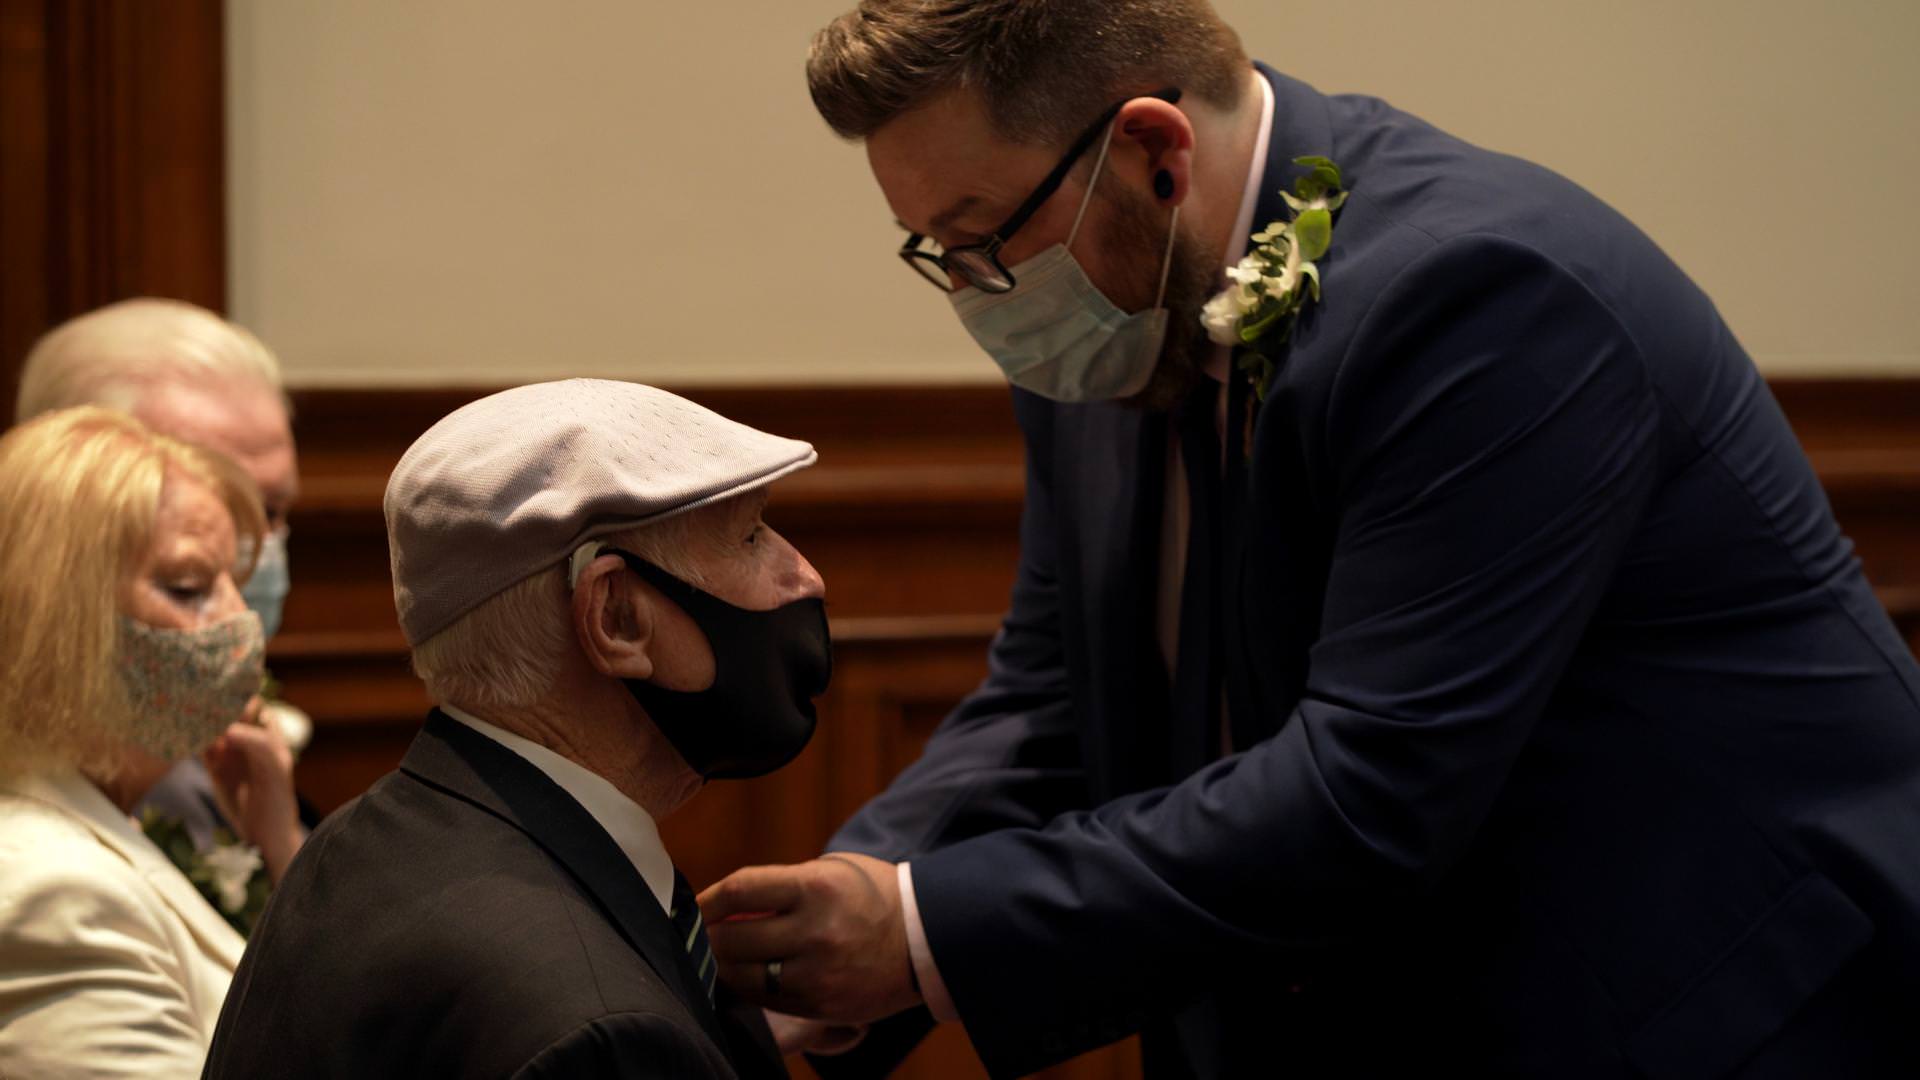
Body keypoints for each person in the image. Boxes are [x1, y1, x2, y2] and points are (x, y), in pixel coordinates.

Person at [697, 2, 1920, 1077]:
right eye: (937, 253)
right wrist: (853, 906)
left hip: (1700, 1005)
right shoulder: (1097, 306)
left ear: (1153, 152)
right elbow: (1054, 695)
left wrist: (919, 935)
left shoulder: (1484, 297)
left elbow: (1370, 790)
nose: (973, 293)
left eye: (979, 237)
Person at [205, 379, 827, 1079]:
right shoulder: (603, 1036)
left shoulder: (355, 849)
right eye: (748, 536)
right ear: (616, 617)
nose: (804, 575)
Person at [0, 407, 306, 1078]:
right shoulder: (54, 890)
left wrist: (281, 849)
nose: (240, 620)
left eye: (233, 581)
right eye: (189, 587)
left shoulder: (94, 818)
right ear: (57, 623)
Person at [17, 298, 310, 853]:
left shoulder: (237, 752)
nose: (236, 615)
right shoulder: (49, 849)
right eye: (188, 585)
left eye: (274, 511)